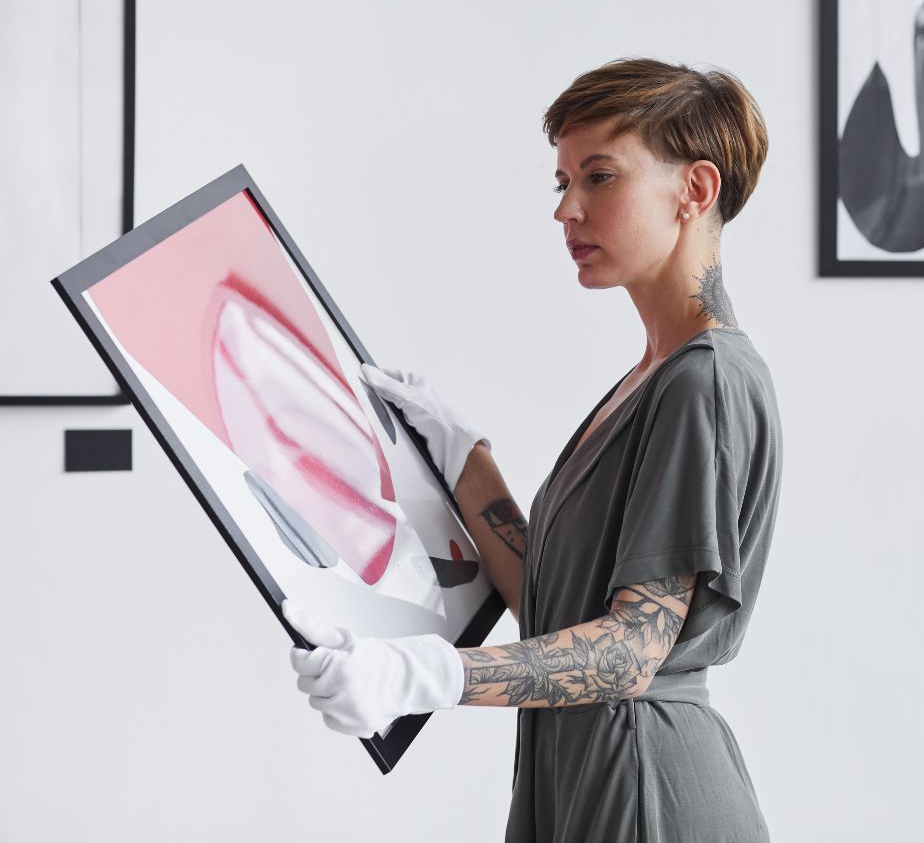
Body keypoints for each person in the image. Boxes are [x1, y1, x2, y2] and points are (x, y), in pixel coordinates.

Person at [282, 56, 782, 842]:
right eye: (562, 183)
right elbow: (557, 603)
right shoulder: (652, 377)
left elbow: (627, 652)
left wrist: (421, 675)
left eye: (600, 178)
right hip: (581, 772)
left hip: (644, 789)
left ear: (696, 190)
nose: (567, 211)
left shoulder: (704, 383)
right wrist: (460, 457)